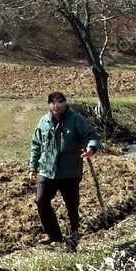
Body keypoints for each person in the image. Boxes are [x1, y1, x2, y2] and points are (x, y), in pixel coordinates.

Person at [29, 91, 100, 253]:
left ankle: (72, 237)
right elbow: (35, 144)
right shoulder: (43, 121)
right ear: (49, 105)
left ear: (65, 103)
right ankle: (53, 235)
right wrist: (33, 167)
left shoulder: (76, 120)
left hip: (70, 171)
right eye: (53, 102)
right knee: (41, 200)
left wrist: (91, 148)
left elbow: (91, 135)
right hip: (47, 170)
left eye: (60, 102)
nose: (57, 105)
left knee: (71, 206)